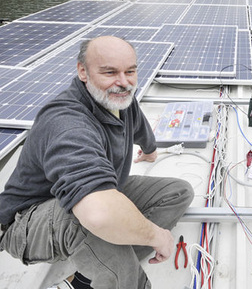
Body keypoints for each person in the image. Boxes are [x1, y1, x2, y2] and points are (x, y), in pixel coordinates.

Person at [0, 36, 194, 289]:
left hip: (88, 199)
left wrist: (150, 150)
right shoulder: (66, 121)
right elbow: (98, 213)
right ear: (83, 71)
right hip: (26, 220)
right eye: (110, 72)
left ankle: (88, 275)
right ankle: (125, 278)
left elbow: (139, 128)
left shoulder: (120, 101)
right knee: (87, 218)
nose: (123, 82)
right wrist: (156, 236)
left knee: (177, 193)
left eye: (130, 71)